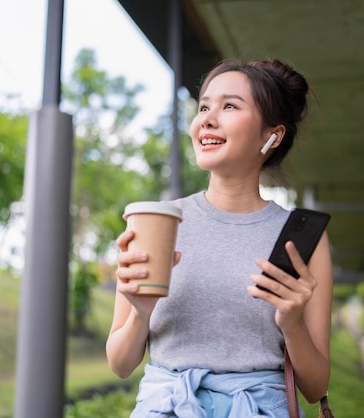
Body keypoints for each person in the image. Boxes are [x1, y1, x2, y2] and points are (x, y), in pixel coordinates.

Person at [106, 58, 334, 417]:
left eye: (229, 106)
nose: (207, 118)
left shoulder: (302, 238)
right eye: (203, 107)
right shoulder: (155, 222)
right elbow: (120, 364)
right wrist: (140, 312)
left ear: (271, 135)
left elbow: (315, 387)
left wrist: (292, 323)